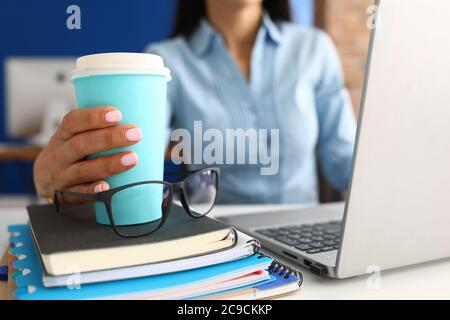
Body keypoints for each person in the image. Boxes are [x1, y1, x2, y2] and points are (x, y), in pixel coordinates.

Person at [33, 0, 356, 204]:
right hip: (214, 236)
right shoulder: (164, 60)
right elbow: (137, 167)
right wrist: (67, 178)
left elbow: (343, 164)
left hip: (304, 230)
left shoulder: (314, 48)